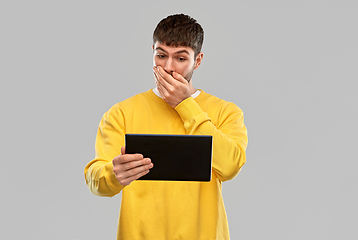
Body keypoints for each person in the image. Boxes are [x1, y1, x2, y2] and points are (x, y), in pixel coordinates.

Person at [84, 13, 248, 240]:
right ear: (152, 52)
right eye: (161, 55)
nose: (168, 67)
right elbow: (96, 182)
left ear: (197, 61)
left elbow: (230, 167)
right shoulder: (121, 113)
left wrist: (185, 105)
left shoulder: (226, 112)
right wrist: (113, 174)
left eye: (181, 59)